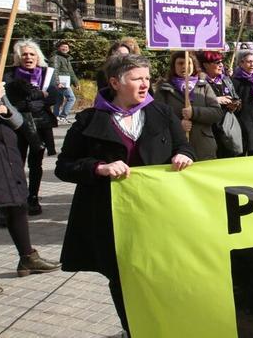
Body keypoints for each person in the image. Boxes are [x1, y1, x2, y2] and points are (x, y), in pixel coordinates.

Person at [55, 54, 193, 334]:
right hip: (112, 218)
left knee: (162, 273)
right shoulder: (88, 120)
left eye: (147, 78)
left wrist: (183, 154)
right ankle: (133, 328)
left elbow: (185, 147)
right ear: (115, 82)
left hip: (158, 214)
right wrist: (98, 167)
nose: (144, 85)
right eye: (137, 79)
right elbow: (63, 167)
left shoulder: (162, 113)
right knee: (122, 278)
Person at [0, 83, 61, 296]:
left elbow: (19, 122)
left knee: (17, 204)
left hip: (5, 156)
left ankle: (28, 258)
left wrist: (2, 105)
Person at [4, 40, 57, 215]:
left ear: (38, 57)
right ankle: (12, 201)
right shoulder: (10, 74)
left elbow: (54, 96)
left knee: (36, 164)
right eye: (24, 54)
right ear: (18, 57)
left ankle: (33, 198)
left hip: (40, 124)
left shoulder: (46, 73)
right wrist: (38, 95)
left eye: (32, 54)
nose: (28, 57)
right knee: (15, 163)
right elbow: (11, 96)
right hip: (17, 124)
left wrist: (39, 99)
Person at [154, 52, 222, 161]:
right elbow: (156, 118)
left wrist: (194, 112)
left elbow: (217, 113)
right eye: (180, 63)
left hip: (203, 148)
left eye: (188, 63)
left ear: (194, 65)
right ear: (173, 66)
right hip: (175, 151)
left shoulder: (203, 86)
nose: (184, 66)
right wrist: (177, 124)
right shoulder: (164, 89)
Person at [198, 51, 242, 158]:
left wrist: (235, 104)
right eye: (217, 62)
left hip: (226, 128)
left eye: (221, 62)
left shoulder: (226, 80)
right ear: (205, 65)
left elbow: (236, 98)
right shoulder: (198, 82)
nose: (221, 65)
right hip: (208, 129)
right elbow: (194, 103)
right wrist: (217, 100)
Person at [51, 40, 79, 124]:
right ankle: (62, 116)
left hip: (65, 81)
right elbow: (54, 71)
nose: (65, 48)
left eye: (66, 47)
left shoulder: (66, 58)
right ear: (58, 48)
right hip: (61, 82)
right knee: (71, 98)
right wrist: (57, 82)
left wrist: (76, 82)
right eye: (63, 46)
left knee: (59, 100)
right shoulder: (56, 58)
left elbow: (71, 72)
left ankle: (55, 118)